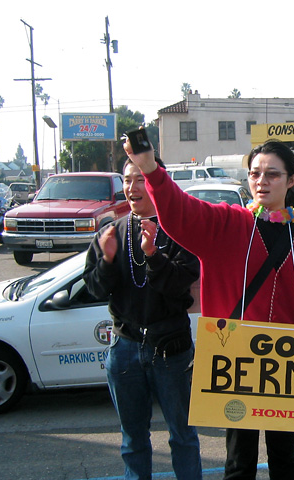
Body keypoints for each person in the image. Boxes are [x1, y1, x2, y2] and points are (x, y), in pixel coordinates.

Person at [124, 138, 294, 480]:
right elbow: (181, 211)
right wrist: (150, 170)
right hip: (237, 366)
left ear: (292, 180)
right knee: (239, 460)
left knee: (285, 458)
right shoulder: (227, 225)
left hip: (288, 370)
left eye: (273, 174)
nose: (262, 181)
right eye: (255, 173)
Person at [83, 157, 202, 480]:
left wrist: (152, 254)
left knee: (183, 435)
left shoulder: (178, 231)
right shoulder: (113, 232)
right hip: (125, 348)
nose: (131, 187)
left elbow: (180, 288)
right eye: (126, 180)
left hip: (170, 349)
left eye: (139, 179)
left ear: (155, 183)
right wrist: (107, 259)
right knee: (133, 439)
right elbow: (94, 288)